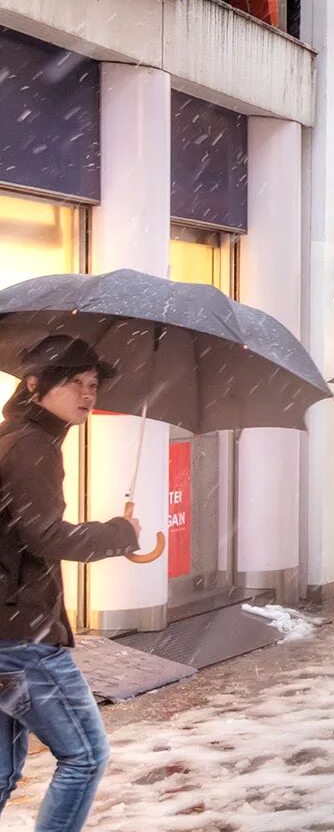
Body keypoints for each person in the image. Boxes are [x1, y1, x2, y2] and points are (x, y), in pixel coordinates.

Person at [0, 337, 143, 832]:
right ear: (37, 385)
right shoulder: (32, 447)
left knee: (1, 773)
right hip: (24, 636)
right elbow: (43, 535)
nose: (88, 394)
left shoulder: (13, 438)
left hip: (6, 630)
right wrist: (118, 534)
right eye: (76, 383)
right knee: (84, 757)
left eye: (93, 385)